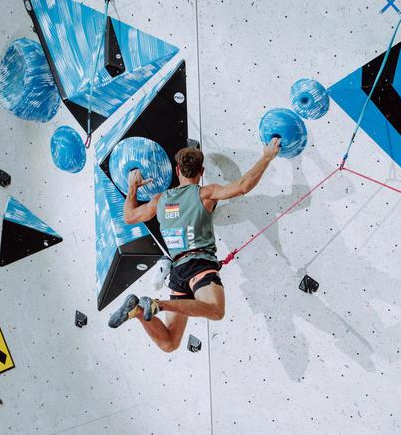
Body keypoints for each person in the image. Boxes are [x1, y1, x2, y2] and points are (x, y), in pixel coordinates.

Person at [107, 138, 281, 352]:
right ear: (202, 171)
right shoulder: (205, 193)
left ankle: (138, 312)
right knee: (216, 310)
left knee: (169, 343)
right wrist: (266, 157)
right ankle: (157, 304)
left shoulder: (160, 200)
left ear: (177, 170)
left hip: (178, 272)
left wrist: (133, 187)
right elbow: (243, 186)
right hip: (199, 265)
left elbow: (129, 216)